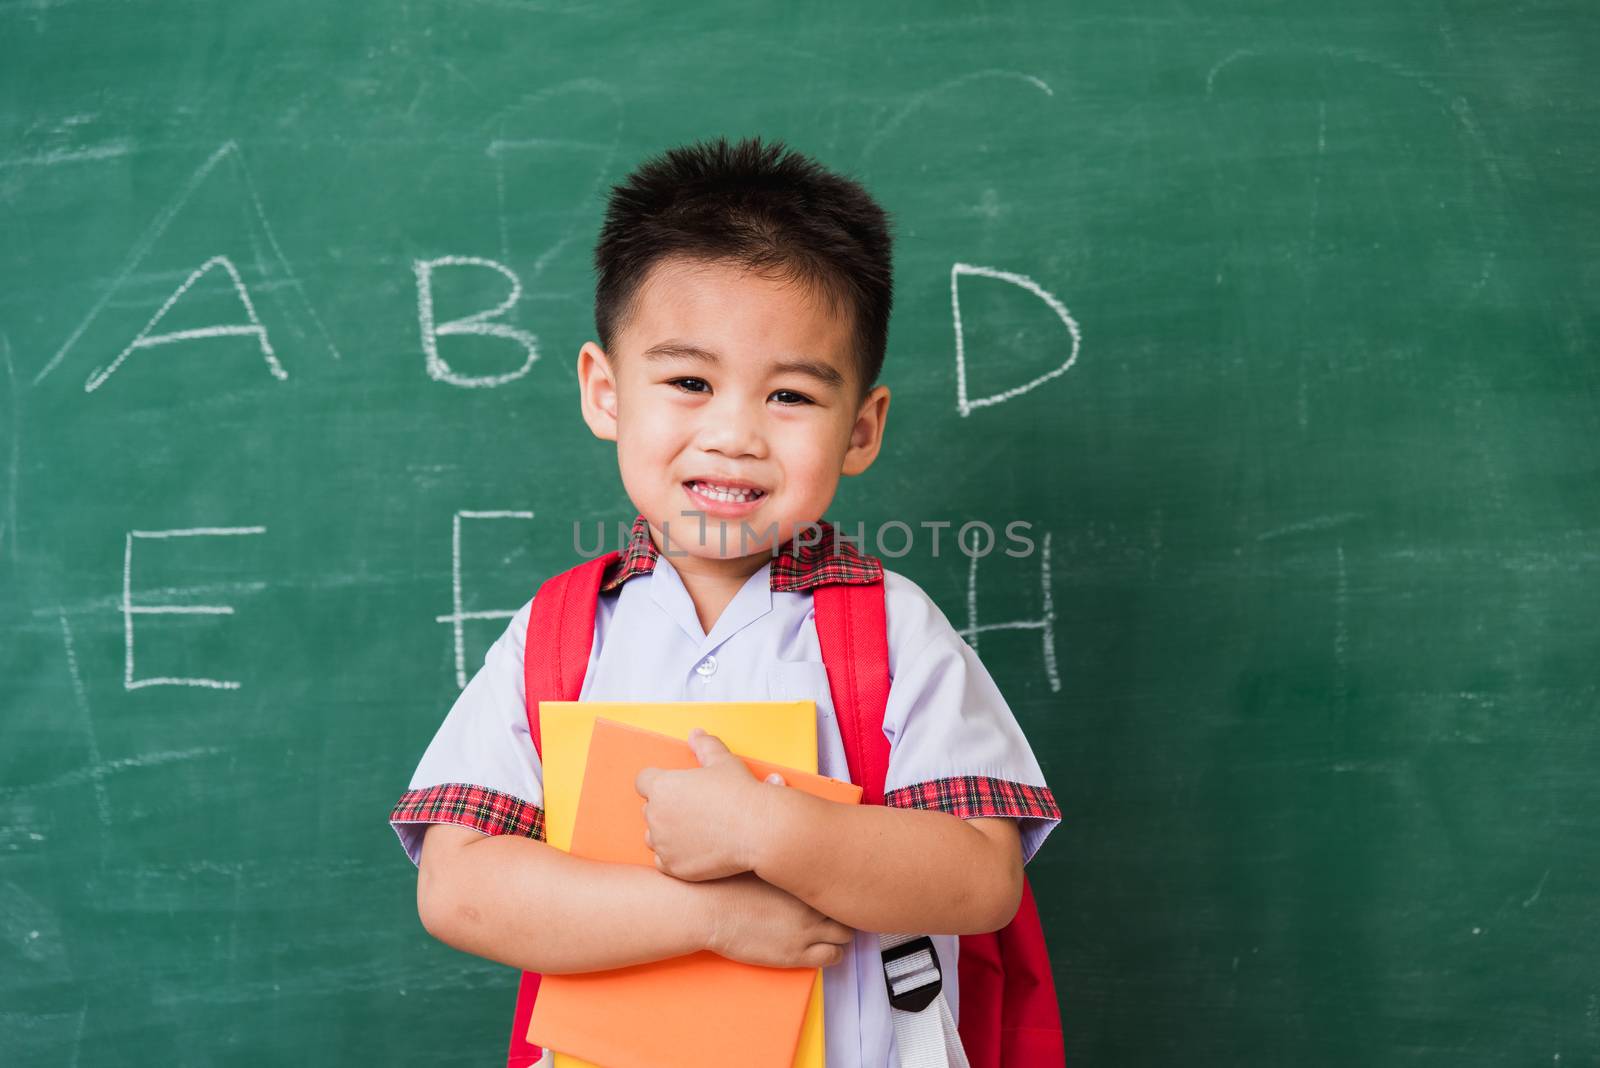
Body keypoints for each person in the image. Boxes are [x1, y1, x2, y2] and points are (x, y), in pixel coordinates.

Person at [388, 135, 1061, 1067]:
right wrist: (708, 918)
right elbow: (459, 888)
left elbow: (982, 878)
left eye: (790, 395)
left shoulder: (889, 628)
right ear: (605, 392)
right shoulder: (558, 636)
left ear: (860, 429)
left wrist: (770, 830)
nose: (735, 434)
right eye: (690, 383)